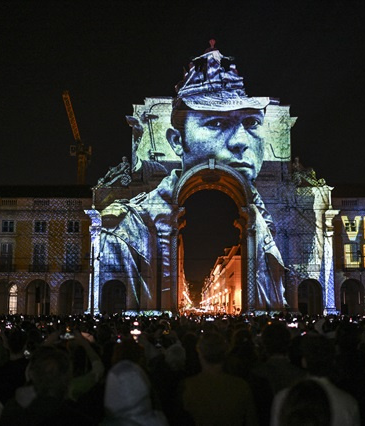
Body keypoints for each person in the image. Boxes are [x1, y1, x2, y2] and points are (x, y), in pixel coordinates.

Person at [99, 46, 288, 311]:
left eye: (252, 123)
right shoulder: (124, 227)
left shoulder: (261, 214)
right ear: (176, 141)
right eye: (216, 124)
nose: (240, 142)